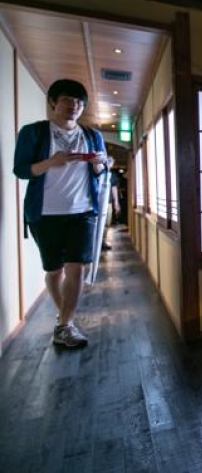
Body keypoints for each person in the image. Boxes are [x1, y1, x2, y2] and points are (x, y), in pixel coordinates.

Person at [13, 79, 109, 347]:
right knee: (54, 271)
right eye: (67, 99)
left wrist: (100, 164)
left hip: (82, 211)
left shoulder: (92, 135)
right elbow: (21, 170)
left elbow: (100, 171)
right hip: (44, 213)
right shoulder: (34, 132)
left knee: (77, 268)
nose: (74, 106)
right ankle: (64, 319)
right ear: (53, 102)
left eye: (79, 102)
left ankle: (65, 325)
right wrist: (51, 162)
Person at [102, 160, 120, 251]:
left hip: (108, 202)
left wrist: (116, 202)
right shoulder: (98, 171)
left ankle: (103, 241)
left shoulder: (112, 175)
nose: (110, 165)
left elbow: (114, 188)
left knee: (107, 222)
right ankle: (96, 242)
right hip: (97, 202)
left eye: (111, 163)